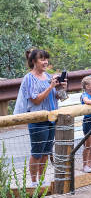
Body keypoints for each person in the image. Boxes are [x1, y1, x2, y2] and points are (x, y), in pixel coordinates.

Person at [14, 48, 64, 184]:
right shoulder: (29, 78)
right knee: (37, 152)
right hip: (37, 120)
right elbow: (35, 100)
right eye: (42, 59)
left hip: (52, 118)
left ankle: (42, 180)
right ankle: (34, 181)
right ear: (33, 61)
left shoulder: (49, 77)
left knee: (46, 152)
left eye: (46, 59)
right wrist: (50, 87)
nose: (45, 62)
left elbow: (60, 98)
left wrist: (61, 88)